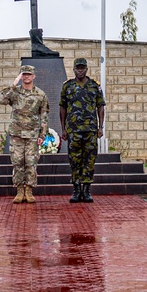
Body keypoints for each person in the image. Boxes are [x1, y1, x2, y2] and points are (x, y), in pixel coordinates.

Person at [0, 64, 49, 204]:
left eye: (29, 74)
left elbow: (44, 115)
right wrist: (13, 84)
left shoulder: (40, 94)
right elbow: (1, 99)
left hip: (32, 134)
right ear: (21, 76)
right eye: (24, 74)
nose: (26, 77)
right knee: (17, 162)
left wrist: (42, 135)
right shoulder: (15, 93)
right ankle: (20, 189)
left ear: (34, 76)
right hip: (17, 134)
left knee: (31, 162)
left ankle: (29, 190)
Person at [60, 58, 106, 203]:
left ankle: (86, 190)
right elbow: (63, 107)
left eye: (82, 68)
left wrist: (100, 127)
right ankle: (76, 190)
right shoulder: (67, 86)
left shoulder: (94, 86)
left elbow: (101, 106)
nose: (80, 70)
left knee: (89, 160)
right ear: (73, 69)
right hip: (73, 130)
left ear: (86, 69)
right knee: (74, 160)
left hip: (90, 129)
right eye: (78, 68)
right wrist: (63, 129)